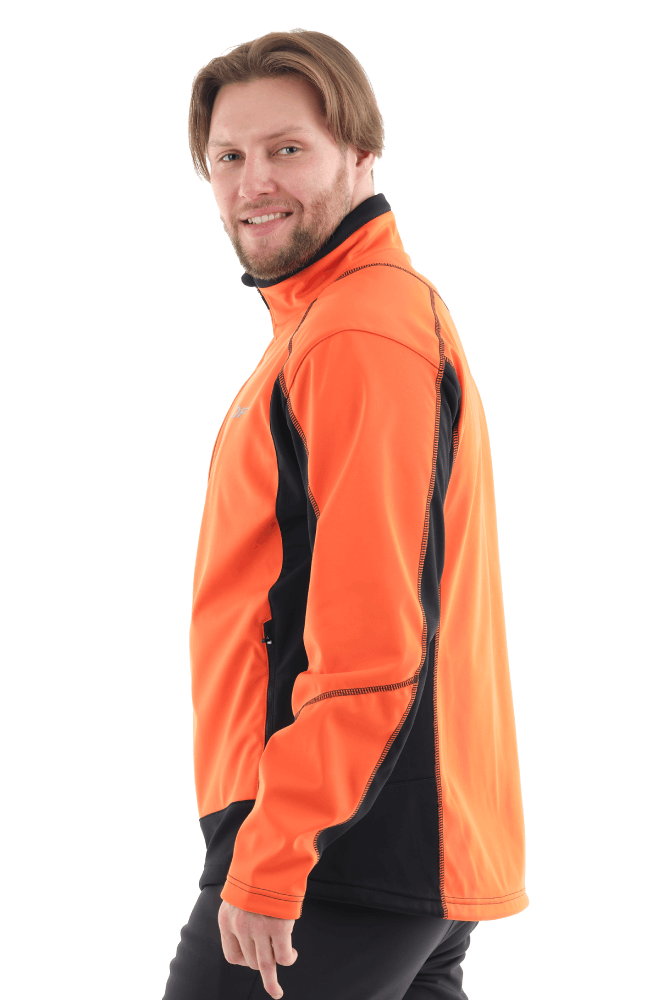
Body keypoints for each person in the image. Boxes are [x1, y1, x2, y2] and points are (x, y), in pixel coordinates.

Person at [163, 30, 527, 1000]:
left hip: (336, 846)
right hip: (388, 834)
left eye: (287, 149)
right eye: (228, 157)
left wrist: (274, 855)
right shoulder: (331, 324)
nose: (253, 182)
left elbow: (371, 637)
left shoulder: (357, 331)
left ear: (360, 154)